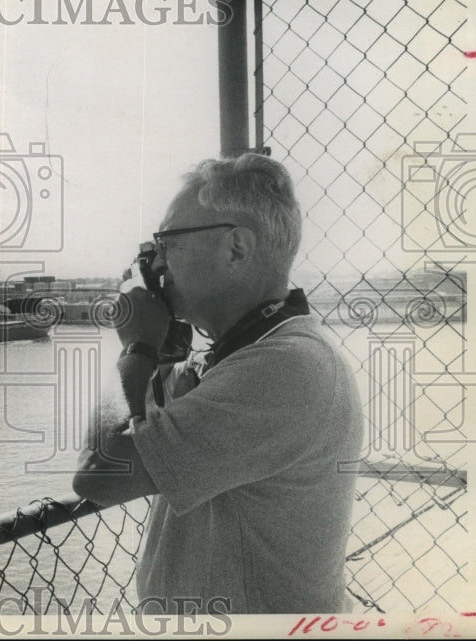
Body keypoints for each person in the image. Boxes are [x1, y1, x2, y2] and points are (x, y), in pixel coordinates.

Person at [72, 153, 363, 614]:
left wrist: (134, 347)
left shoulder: (282, 368)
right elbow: (140, 424)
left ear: (237, 247)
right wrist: (162, 350)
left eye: (168, 243)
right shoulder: (250, 352)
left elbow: (101, 472)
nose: (157, 266)